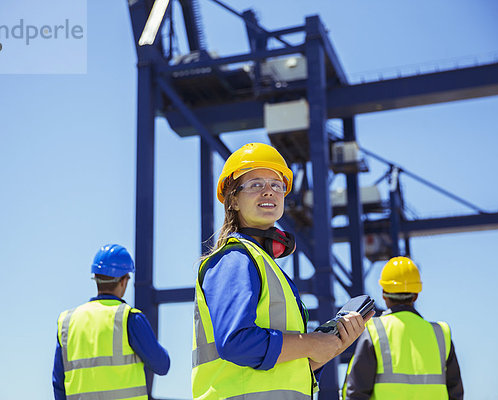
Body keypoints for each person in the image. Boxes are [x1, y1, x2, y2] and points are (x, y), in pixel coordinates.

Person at [192, 142, 374, 400]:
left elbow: (277, 372)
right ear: (233, 199)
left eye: (276, 186)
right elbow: (236, 343)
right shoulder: (234, 259)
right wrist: (311, 342)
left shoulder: (266, 267)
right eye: (256, 184)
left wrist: (328, 348)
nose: (269, 192)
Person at [53, 244, 170, 400]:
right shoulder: (129, 318)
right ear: (124, 281)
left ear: (95, 278)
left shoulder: (67, 322)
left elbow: (58, 384)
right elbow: (162, 365)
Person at [342, 256, 463, 400]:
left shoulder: (375, 330)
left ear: (384, 294)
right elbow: (456, 393)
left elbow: (356, 392)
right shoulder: (441, 334)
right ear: (416, 295)